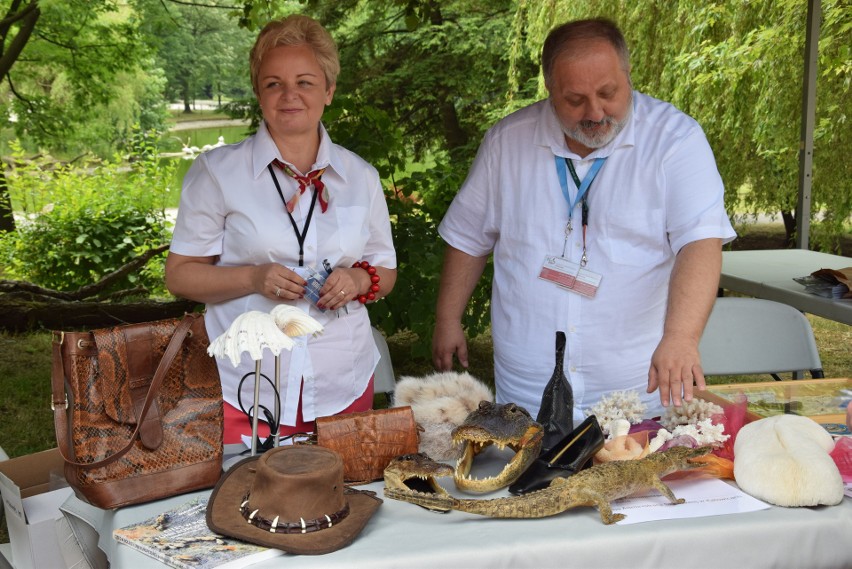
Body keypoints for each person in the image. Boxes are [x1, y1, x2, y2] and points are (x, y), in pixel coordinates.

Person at [433, 18, 736, 423]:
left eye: (608, 93)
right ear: (549, 90)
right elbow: (468, 237)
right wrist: (448, 318)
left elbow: (700, 242)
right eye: (574, 99)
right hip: (526, 392)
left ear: (628, 76)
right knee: (527, 484)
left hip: (634, 394)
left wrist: (681, 337)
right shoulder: (507, 142)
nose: (595, 112)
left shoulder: (675, 141)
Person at [166, 15, 396, 444]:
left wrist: (357, 279)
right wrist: (253, 277)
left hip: (342, 382)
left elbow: (385, 270)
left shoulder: (361, 176)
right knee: (244, 506)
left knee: (342, 501)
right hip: (247, 385)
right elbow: (179, 275)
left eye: (305, 82)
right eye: (274, 83)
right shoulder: (217, 174)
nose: (290, 95)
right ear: (258, 93)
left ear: (328, 90)